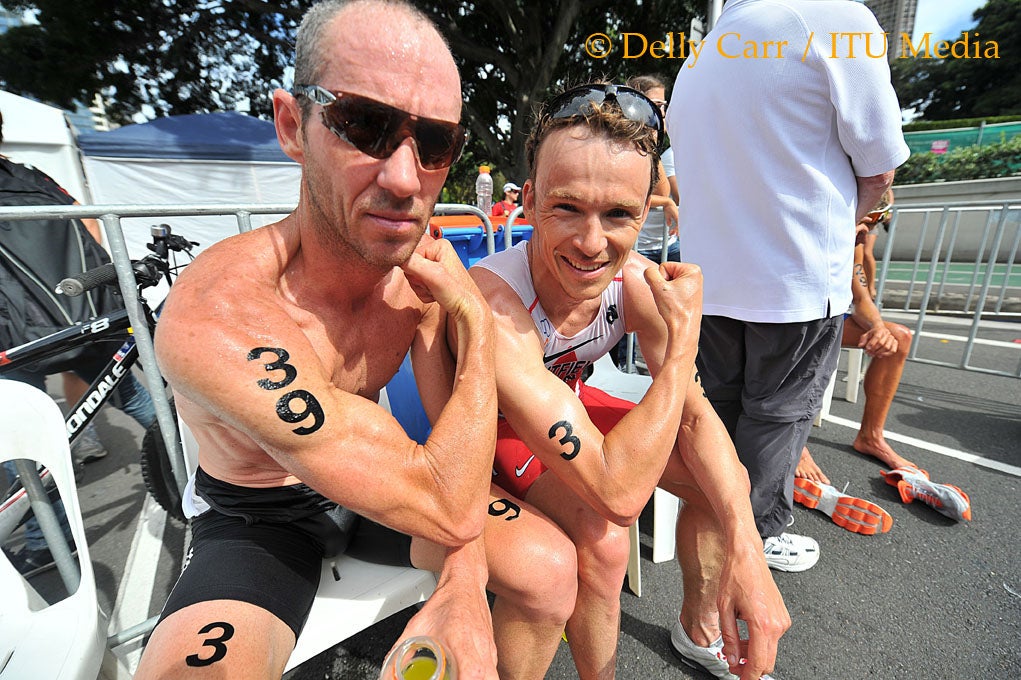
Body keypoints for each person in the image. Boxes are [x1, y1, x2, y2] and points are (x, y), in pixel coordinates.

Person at [134, 2, 506, 677]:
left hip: (387, 489)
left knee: (545, 570)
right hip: (261, 515)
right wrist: (476, 320)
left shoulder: (415, 283)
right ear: (290, 125)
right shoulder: (218, 313)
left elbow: (455, 464)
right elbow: (450, 504)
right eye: (363, 125)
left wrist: (462, 584)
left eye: (433, 143)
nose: (402, 178)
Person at [471, 82, 789, 680]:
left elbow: (694, 415)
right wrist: (684, 347)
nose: (593, 245)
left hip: (566, 403)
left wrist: (748, 548)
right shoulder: (497, 299)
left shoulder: (636, 281)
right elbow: (615, 493)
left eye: (618, 214)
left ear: (646, 213)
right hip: (496, 428)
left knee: (726, 481)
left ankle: (700, 630)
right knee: (605, 537)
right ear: (531, 199)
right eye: (567, 208)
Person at [668, 0, 910, 571]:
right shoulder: (836, 18)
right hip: (796, 279)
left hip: (711, 282)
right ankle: (748, 560)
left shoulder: (697, 57)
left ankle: (714, 563)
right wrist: (844, 224)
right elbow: (879, 169)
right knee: (775, 425)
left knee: (719, 424)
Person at [0, 109, 157, 573]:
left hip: (12, 332)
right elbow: (88, 228)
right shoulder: (32, 176)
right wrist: (108, 286)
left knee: (25, 445)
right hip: (81, 314)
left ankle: (48, 543)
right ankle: (196, 470)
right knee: (139, 401)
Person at [795, 214, 972, 526]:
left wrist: (878, 328)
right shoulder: (811, 219)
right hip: (778, 318)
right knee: (808, 337)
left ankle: (871, 436)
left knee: (899, 337)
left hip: (824, 319)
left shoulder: (854, 239)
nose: (869, 228)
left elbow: (861, 298)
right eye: (869, 220)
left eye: (874, 223)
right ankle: (793, 443)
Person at [627, 75, 678, 263]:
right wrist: (666, 203)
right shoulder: (623, 147)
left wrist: (651, 141)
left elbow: (663, 192)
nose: (662, 112)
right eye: (656, 105)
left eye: (663, 105)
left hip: (667, 243)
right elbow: (631, 196)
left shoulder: (650, 148)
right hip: (638, 246)